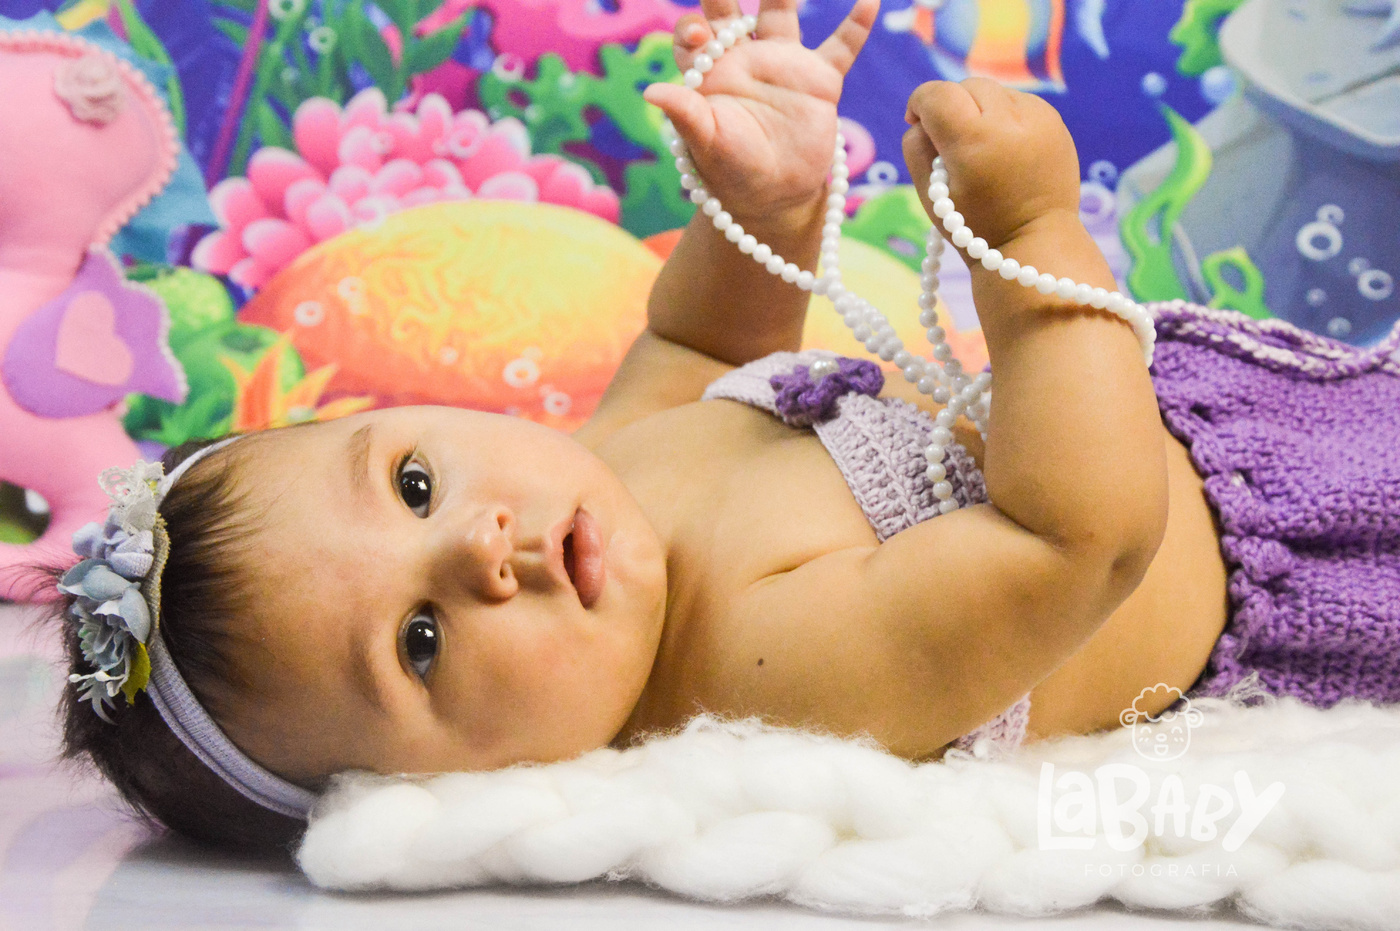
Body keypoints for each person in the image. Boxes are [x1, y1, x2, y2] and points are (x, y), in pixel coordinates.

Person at [42, 0, 1400, 857]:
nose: (480, 549)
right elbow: (1075, 540)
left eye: (410, 484)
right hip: (1305, 546)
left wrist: (767, 195)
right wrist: (1035, 232)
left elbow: (704, 348)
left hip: (1222, 406)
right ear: (434, 792)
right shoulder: (762, 672)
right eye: (421, 643)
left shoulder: (603, 475)